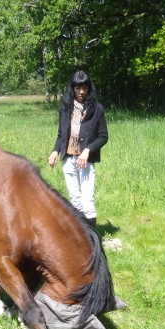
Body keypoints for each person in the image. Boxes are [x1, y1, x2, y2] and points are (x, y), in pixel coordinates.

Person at [47, 70, 108, 231]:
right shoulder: (65, 108)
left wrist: (87, 150)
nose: (81, 92)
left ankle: (93, 240)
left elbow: (103, 136)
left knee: (87, 200)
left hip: (86, 161)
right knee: (75, 200)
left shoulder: (97, 109)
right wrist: (55, 152)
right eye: (78, 88)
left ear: (89, 88)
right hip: (69, 160)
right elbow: (61, 135)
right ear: (72, 88)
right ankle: (82, 237)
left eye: (85, 88)